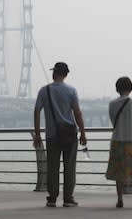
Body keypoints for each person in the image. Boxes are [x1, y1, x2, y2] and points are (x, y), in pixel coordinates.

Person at [33, 62, 87, 208]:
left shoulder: (44, 91)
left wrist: (37, 134)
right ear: (66, 74)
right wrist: (82, 132)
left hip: (51, 135)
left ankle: (52, 198)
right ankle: (68, 198)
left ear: (54, 73)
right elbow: (77, 112)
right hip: (69, 135)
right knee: (69, 167)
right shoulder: (71, 90)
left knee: (52, 167)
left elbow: (37, 111)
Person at [106, 76, 132, 208]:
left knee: (119, 172)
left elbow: (113, 120)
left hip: (117, 141)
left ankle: (120, 200)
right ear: (131, 88)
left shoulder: (112, 104)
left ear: (117, 89)